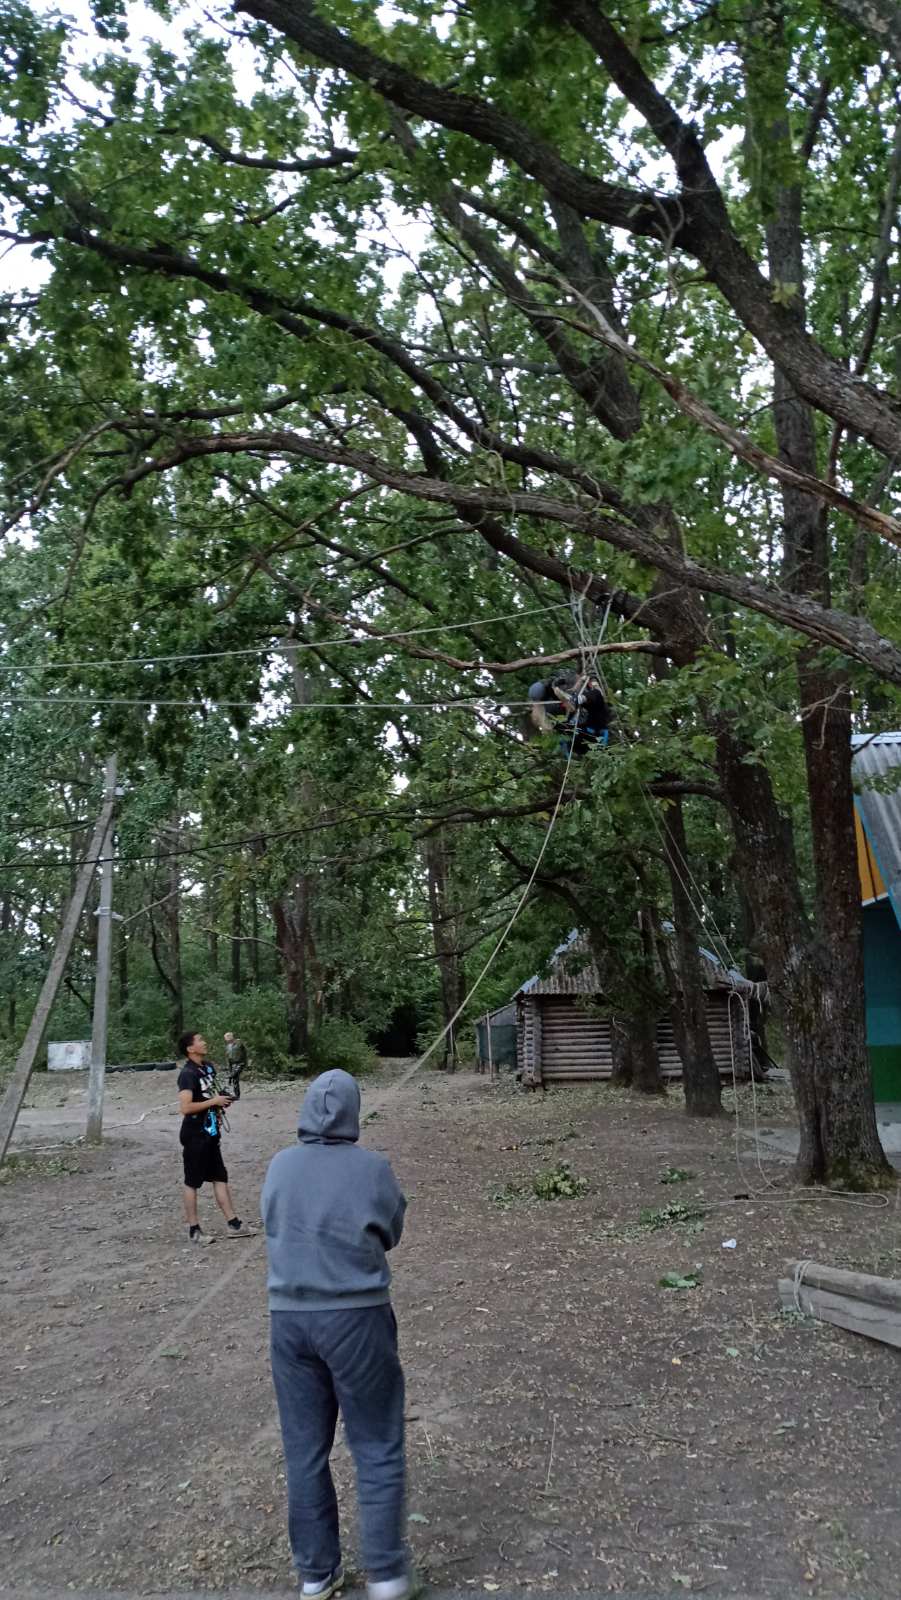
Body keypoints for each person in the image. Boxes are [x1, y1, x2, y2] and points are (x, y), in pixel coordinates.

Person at [262, 1069, 412, 1600]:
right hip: (357, 1320)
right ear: (353, 1112)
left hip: (288, 1324)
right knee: (376, 1443)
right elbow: (392, 1230)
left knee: (303, 1449)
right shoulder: (373, 1169)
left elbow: (272, 1224)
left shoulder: (279, 1166)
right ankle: (388, 1575)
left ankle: (316, 1574)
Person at [177, 1030, 254, 1245]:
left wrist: (221, 1104)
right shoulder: (187, 1074)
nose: (204, 1042)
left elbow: (213, 1096)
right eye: (200, 1040)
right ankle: (194, 1230)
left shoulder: (208, 1067)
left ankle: (234, 1224)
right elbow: (185, 1107)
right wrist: (214, 1102)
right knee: (192, 1182)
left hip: (211, 1132)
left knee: (220, 1177)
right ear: (190, 1048)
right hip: (194, 1134)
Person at [223, 1030, 248, 1099]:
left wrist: (246, 1061)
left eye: (228, 1036)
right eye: (226, 1037)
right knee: (235, 1078)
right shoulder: (228, 1047)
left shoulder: (238, 1042)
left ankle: (230, 1090)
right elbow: (228, 1058)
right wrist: (229, 1067)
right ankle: (236, 1095)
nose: (227, 1038)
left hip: (240, 1062)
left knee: (233, 1075)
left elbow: (244, 1050)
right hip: (233, 1064)